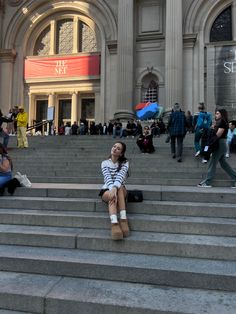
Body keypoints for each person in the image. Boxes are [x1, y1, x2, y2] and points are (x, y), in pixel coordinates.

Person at [198, 109, 236, 188]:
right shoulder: (219, 123)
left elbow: (218, 135)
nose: (216, 115)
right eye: (215, 113)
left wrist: (212, 130)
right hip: (220, 144)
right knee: (224, 164)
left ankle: (208, 182)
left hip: (220, 144)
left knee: (212, 163)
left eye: (218, 113)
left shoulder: (222, 123)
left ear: (222, 114)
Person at [99, 142, 129, 240]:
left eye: (118, 148)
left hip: (121, 189)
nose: (115, 149)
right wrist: (113, 189)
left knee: (119, 187)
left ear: (121, 153)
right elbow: (107, 178)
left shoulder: (125, 163)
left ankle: (123, 220)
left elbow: (120, 177)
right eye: (114, 146)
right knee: (113, 194)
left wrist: (115, 188)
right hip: (107, 189)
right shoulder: (104, 163)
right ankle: (115, 223)